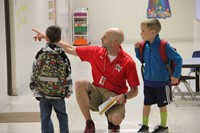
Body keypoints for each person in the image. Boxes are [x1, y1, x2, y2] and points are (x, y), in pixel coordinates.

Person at [32, 28, 140, 133]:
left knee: (116, 120)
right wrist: (50, 38)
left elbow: (135, 90)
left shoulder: (128, 62)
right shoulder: (96, 52)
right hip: (96, 92)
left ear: (114, 43)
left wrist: (124, 96)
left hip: (114, 97)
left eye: (105, 37)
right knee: (80, 83)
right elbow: (71, 49)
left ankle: (111, 120)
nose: (101, 38)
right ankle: (89, 122)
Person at [134, 18, 182, 133]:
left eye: (143, 31)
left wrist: (176, 75)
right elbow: (142, 59)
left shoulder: (164, 46)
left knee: (162, 105)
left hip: (162, 82)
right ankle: (144, 126)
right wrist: (136, 50)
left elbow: (178, 59)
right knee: (146, 104)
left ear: (152, 32)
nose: (141, 33)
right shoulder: (144, 46)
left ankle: (163, 126)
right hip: (148, 82)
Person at [30, 25, 73, 133]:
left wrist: (34, 87)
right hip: (58, 93)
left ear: (47, 38)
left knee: (45, 117)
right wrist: (68, 90)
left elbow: (34, 70)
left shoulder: (41, 53)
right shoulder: (62, 55)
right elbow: (68, 73)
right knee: (62, 115)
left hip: (43, 92)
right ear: (59, 39)